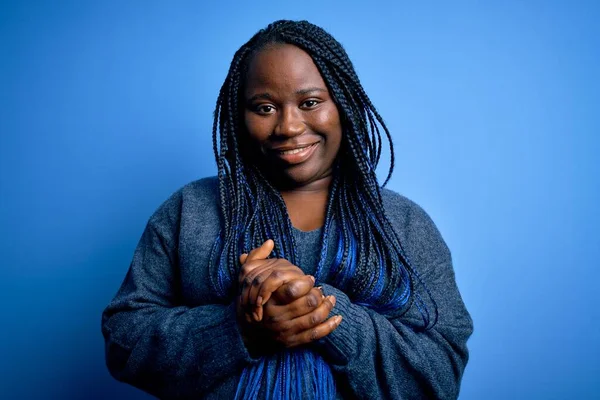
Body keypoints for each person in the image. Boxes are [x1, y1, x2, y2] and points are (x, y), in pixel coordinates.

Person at [101, 20, 473, 399]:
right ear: (239, 117)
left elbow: (440, 375)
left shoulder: (403, 224)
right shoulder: (190, 211)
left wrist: (321, 311)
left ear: (342, 103)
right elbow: (123, 341)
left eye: (310, 102)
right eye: (264, 107)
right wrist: (238, 330)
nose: (289, 126)